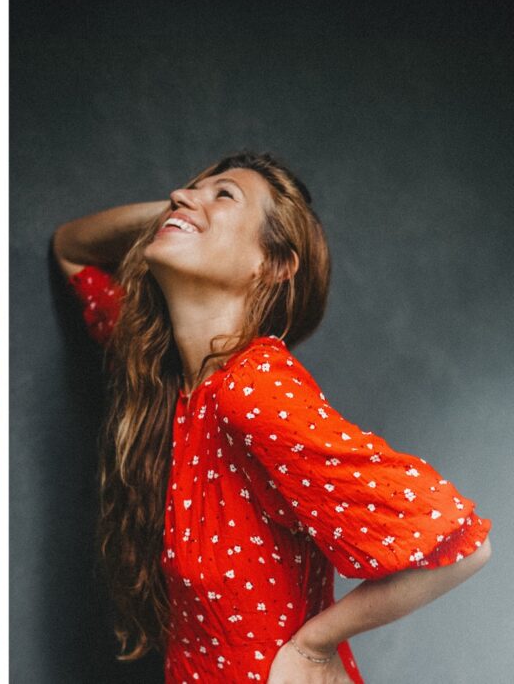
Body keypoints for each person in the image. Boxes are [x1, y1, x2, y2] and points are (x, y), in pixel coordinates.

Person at [53, 152, 491, 683]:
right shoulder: (168, 378)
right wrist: (182, 213)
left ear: (272, 264)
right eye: (188, 187)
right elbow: (70, 249)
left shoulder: (253, 386)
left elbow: (462, 542)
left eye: (225, 194)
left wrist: (313, 645)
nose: (184, 194)